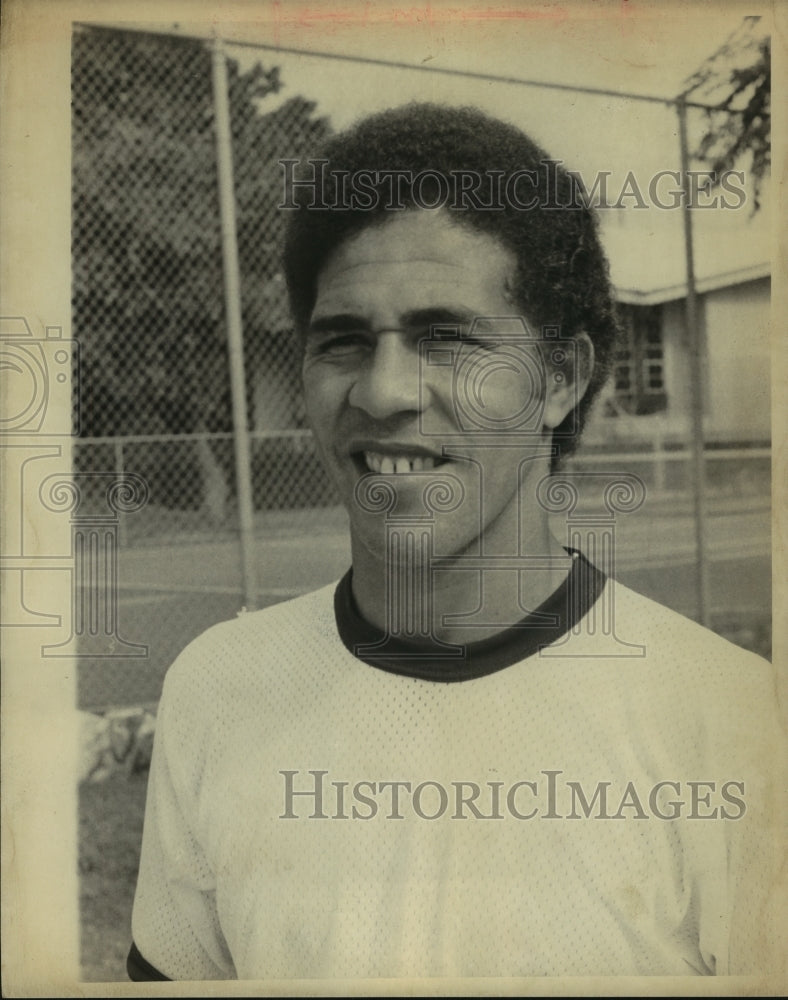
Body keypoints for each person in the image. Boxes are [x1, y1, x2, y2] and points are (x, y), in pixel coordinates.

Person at [128, 103, 782, 981]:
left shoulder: (737, 724)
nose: (385, 389)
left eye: (448, 338)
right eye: (345, 341)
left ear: (561, 379)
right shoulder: (218, 686)